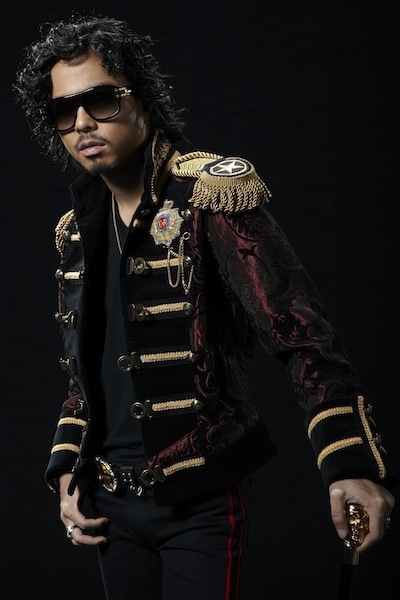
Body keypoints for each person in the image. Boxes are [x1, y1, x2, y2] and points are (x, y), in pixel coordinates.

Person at [14, 13, 396, 600]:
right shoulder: (75, 233)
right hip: (108, 504)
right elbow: (82, 379)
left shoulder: (210, 198)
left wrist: (349, 465)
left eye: (101, 100)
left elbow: (302, 335)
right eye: (64, 111)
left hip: (200, 498)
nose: (83, 122)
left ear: (142, 98)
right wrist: (68, 467)